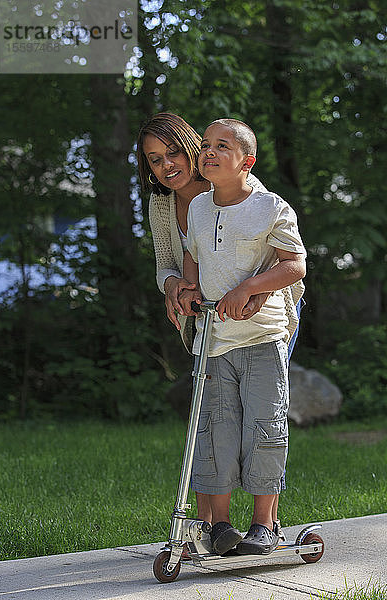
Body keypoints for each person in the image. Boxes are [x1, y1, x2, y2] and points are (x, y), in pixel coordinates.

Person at [178, 118, 306, 555]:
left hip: (261, 337)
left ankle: (264, 524)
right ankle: (219, 527)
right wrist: (191, 288)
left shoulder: (270, 206)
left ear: (246, 161)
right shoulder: (197, 207)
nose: (208, 152)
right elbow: (191, 254)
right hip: (212, 341)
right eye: (205, 145)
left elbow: (295, 265)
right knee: (216, 431)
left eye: (221, 146)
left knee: (263, 427)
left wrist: (250, 287)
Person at [136, 113, 271, 526]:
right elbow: (165, 264)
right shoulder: (162, 203)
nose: (167, 166)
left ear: (193, 148)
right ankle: (211, 526)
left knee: (259, 418)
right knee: (209, 417)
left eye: (173, 152)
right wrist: (173, 284)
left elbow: (275, 258)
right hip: (203, 316)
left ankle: (264, 522)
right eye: (155, 160)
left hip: (259, 316)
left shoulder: (235, 187)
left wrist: (253, 295)